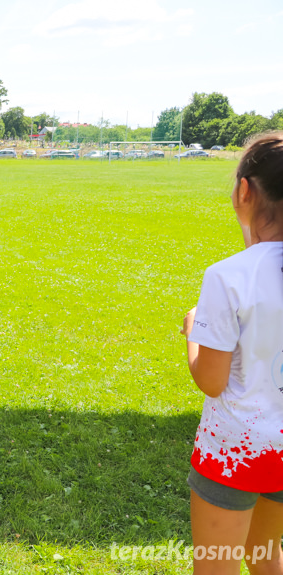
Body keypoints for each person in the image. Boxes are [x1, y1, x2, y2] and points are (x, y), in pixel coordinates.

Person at [181, 132, 283, 574]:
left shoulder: (227, 277)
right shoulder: (249, 270)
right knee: (267, 561)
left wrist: (191, 331)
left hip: (234, 453)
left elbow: (211, 379)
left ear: (244, 190)